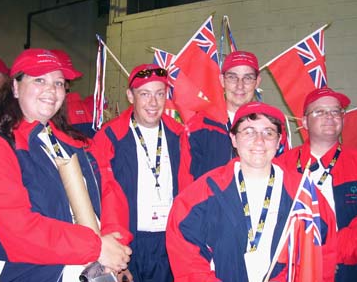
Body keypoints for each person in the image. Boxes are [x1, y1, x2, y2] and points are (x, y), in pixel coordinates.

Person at [0, 48, 133, 281]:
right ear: (15, 87)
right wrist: (97, 248)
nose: (51, 89)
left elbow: (109, 191)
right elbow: (17, 230)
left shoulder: (78, 143)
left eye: (58, 83)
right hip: (26, 273)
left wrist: (114, 246)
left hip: (87, 267)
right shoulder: (1, 145)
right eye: (39, 80)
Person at [166, 101, 299, 281]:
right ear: (234, 139)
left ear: (278, 141)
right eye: (249, 132)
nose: (259, 141)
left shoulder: (301, 192)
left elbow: (318, 250)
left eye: (268, 132)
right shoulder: (203, 192)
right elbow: (186, 255)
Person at [277, 87, 357, 281]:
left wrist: (329, 253)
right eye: (319, 111)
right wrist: (302, 255)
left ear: (343, 118)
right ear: (304, 122)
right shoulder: (282, 165)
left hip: (346, 268)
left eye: (335, 111)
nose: (329, 116)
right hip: (291, 267)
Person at [93, 63, 190, 282]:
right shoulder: (109, 138)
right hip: (128, 243)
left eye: (159, 94)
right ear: (130, 95)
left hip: (168, 242)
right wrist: (116, 250)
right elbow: (104, 196)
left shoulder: (180, 136)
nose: (153, 102)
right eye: (144, 94)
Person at [183, 51, 263, 181]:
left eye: (247, 78)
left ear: (257, 82)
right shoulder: (199, 126)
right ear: (222, 80)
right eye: (232, 77)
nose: (240, 86)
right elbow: (185, 180)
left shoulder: (270, 127)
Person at [51, 49, 96, 138]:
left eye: (58, 83)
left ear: (66, 85)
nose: (50, 89)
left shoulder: (59, 113)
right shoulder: (83, 107)